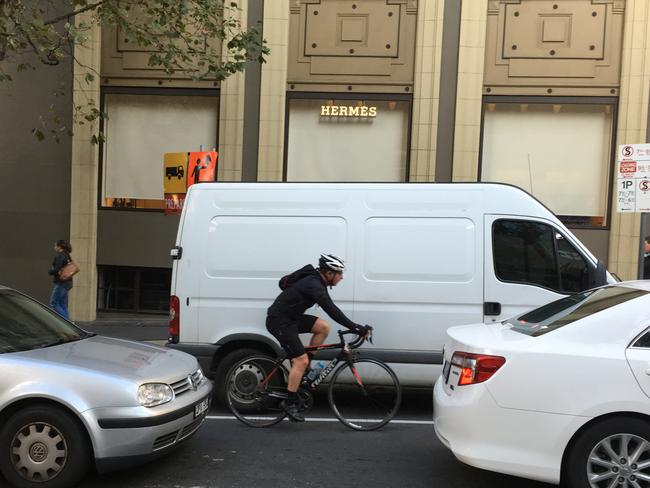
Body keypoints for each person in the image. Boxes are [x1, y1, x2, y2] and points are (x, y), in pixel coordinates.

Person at [266, 253, 371, 422]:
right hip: (279, 321)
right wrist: (355, 327)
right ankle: (290, 402)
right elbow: (331, 309)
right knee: (300, 360)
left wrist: (354, 327)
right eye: (340, 274)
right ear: (329, 273)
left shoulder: (318, 282)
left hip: (291, 318)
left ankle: (303, 372)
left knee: (323, 327)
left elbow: (331, 310)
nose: (341, 278)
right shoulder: (314, 285)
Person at [48, 239, 73, 320]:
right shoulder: (67, 255)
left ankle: (68, 322)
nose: (54, 247)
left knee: (54, 303)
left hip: (61, 283)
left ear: (60, 247)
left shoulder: (60, 256)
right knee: (62, 303)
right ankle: (69, 323)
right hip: (68, 282)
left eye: (55, 245)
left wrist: (50, 271)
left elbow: (56, 269)